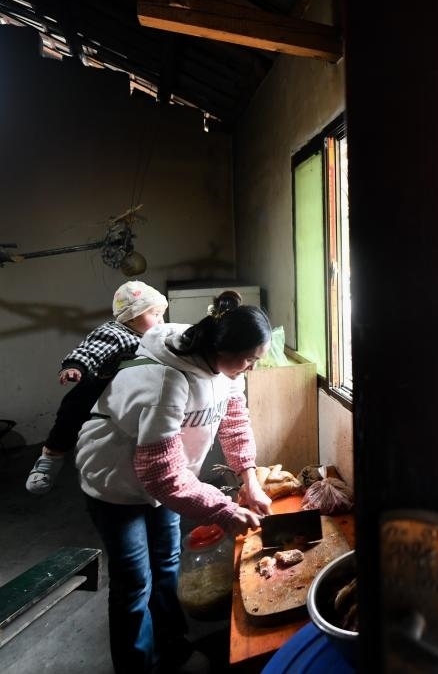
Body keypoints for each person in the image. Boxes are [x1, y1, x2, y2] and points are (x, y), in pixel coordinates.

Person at [76, 290, 273, 673]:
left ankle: (174, 649)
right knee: (135, 583)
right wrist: (224, 509)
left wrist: (249, 479)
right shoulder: (165, 380)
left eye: (256, 360)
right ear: (221, 347)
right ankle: (138, 666)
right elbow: (160, 474)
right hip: (115, 485)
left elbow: (234, 424)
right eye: (249, 358)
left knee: (167, 565)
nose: (250, 368)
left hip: (172, 480)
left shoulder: (227, 370)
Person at [26, 280, 169, 495]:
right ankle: (50, 458)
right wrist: (75, 367)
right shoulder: (114, 333)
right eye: (154, 314)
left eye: (161, 314)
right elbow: (90, 351)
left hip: (130, 392)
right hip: (97, 388)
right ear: (131, 316)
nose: (160, 320)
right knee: (70, 416)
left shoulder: (156, 336)